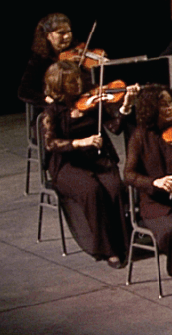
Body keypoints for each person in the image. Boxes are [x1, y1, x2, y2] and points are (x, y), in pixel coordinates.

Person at [38, 59, 129, 265]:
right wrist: (80, 142)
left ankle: (123, 241)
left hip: (97, 159)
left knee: (115, 188)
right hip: (67, 164)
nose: (78, 85)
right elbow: (51, 143)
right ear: (59, 86)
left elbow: (115, 128)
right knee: (91, 191)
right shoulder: (52, 111)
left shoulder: (92, 102)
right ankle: (107, 249)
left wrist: (125, 108)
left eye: (77, 80)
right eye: (71, 83)